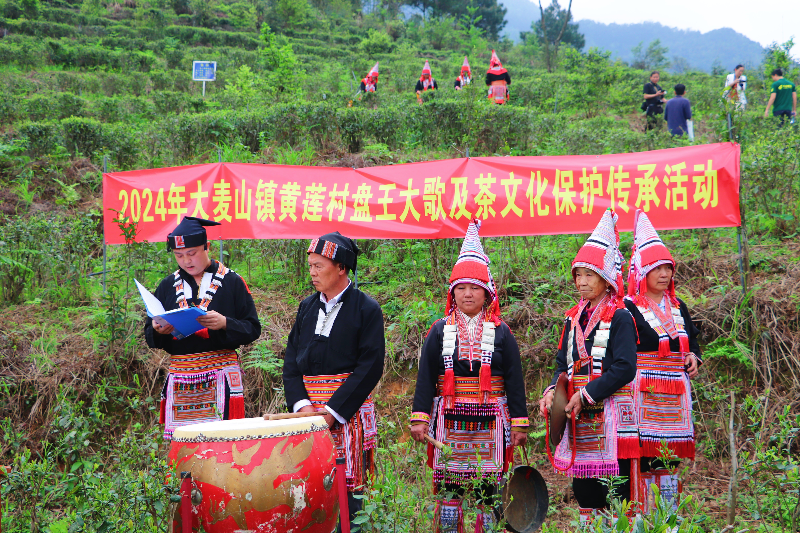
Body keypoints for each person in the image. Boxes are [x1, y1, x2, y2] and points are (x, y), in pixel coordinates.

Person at [410, 220, 529, 533]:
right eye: (460, 288)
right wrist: (420, 418)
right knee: (450, 490)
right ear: (452, 292)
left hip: (491, 421)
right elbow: (426, 377)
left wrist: (519, 422)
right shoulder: (439, 331)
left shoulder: (502, 333)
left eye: (474, 288)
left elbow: (514, 380)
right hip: (450, 422)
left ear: (487, 293)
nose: (467, 294)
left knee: (487, 491)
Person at [538, 209, 638, 526]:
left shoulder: (621, 316)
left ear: (606, 278)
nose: (581, 282)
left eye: (589, 275)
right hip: (580, 420)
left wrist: (586, 394)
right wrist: (553, 391)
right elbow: (562, 364)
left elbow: (625, 368)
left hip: (612, 417)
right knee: (585, 492)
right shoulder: (573, 318)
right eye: (578, 275)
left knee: (617, 494)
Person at [282, 232, 385, 525]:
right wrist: (303, 406)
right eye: (310, 266)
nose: (312, 273)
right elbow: (291, 363)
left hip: (346, 415)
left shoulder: (366, 309)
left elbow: (370, 367)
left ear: (341, 267)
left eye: (319, 266)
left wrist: (331, 413)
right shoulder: (307, 307)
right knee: (310, 494)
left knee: (349, 500)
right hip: (307, 416)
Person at [144, 216, 261, 441]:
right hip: (182, 380)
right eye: (179, 255)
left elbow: (252, 328)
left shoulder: (232, 282)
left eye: (192, 253)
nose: (186, 261)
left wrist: (225, 323)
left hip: (221, 375)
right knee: (185, 448)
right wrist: (158, 330)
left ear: (206, 246)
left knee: (222, 446)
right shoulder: (167, 286)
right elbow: (149, 333)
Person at [624, 209, 702, 510]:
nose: (664, 274)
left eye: (667, 268)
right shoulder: (628, 308)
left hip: (676, 394)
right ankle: (643, 514)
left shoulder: (678, 305)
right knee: (645, 454)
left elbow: (692, 340)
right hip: (643, 392)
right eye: (656, 268)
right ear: (642, 272)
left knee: (670, 456)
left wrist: (693, 357)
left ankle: (668, 516)